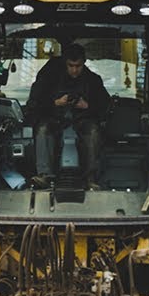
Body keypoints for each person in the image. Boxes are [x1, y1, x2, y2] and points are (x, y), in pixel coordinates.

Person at [25, 42, 110, 189]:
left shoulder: (93, 81)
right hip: (54, 118)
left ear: (84, 63)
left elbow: (105, 106)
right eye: (71, 66)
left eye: (78, 66)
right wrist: (55, 103)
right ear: (65, 63)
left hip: (83, 120)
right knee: (43, 129)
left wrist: (87, 106)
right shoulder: (49, 78)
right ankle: (44, 176)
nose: (75, 70)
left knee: (93, 131)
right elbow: (34, 104)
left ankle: (90, 179)